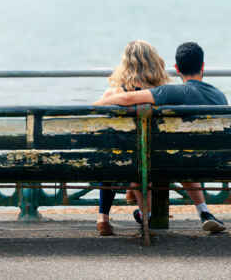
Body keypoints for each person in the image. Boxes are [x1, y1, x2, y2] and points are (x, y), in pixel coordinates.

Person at [94, 41, 227, 233]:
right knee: (177, 154)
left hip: (138, 162)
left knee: (123, 155)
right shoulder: (218, 96)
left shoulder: (168, 92)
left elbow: (125, 101)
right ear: (203, 66)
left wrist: (96, 105)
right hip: (209, 161)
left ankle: (124, 215)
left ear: (177, 68)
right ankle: (204, 211)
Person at [93, 40, 170, 236]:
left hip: (122, 161)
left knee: (111, 153)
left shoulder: (113, 94)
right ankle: (147, 214)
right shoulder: (162, 94)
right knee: (139, 157)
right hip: (158, 161)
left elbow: (98, 125)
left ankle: (103, 218)